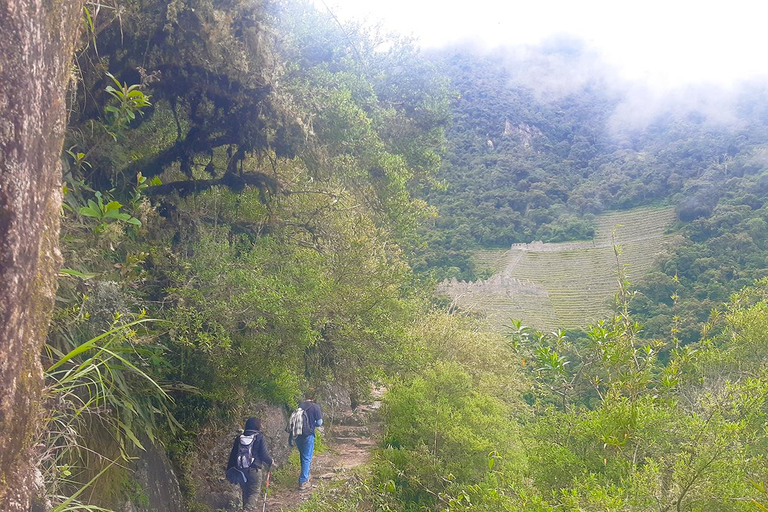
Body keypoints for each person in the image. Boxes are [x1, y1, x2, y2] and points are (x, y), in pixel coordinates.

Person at [227, 417, 273, 511]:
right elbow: (264, 455)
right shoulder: (259, 437)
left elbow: (233, 456)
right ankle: (247, 510)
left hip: (240, 470)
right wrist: (271, 462)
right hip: (254, 469)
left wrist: (229, 470)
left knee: (246, 493)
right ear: (257, 426)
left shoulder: (239, 438)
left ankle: (245, 509)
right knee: (254, 492)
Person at [295, 392, 322, 490]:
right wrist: (312, 425)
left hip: (297, 435)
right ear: (313, 398)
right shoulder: (315, 407)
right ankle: (303, 481)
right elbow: (319, 423)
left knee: (303, 456)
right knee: (307, 458)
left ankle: (306, 475)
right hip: (308, 435)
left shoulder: (299, 406)